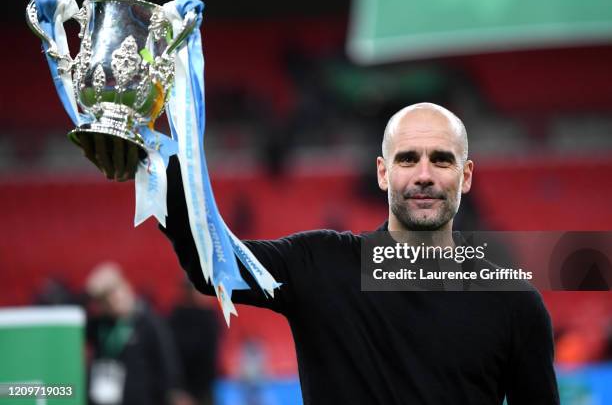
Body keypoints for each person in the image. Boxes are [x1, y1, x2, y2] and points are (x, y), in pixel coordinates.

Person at [79, 103, 560, 404]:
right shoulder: (321, 264)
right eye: (408, 158)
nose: (424, 174)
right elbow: (214, 266)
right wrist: (156, 173)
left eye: (442, 159)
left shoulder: (513, 301)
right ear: (382, 173)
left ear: (467, 176)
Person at [85, 262, 193, 405]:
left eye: (114, 292)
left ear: (126, 287)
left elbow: (167, 366)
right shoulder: (99, 324)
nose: (112, 300)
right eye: (103, 298)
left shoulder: (149, 322)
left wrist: (172, 392)